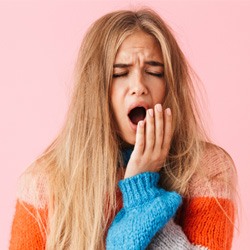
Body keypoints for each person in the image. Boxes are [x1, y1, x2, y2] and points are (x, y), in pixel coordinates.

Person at [9, 8, 237, 250]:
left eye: (154, 72)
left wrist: (142, 195)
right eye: (120, 73)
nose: (138, 86)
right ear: (95, 90)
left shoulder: (206, 170)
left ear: (170, 86)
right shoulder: (43, 182)